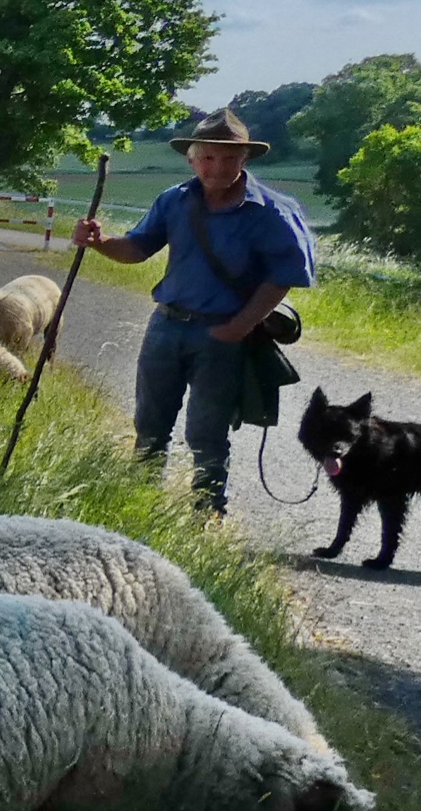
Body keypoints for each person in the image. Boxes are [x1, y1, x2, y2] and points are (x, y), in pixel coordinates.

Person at [72, 108, 317, 514]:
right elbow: (137, 248)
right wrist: (98, 242)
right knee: (150, 423)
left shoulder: (273, 211)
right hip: (166, 326)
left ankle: (206, 512)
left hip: (221, 336)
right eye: (207, 157)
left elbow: (283, 277)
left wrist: (239, 327)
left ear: (245, 159)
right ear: (191, 158)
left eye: (228, 157)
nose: (216, 166)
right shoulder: (174, 201)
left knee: (207, 430)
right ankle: (139, 500)